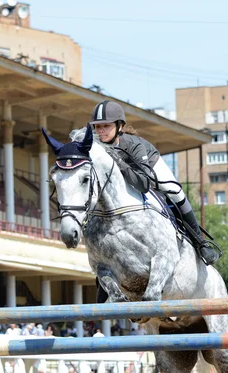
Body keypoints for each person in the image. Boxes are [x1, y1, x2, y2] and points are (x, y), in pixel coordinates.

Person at [90, 100, 220, 267]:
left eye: (105, 126)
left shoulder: (133, 145)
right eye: (97, 126)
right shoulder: (94, 147)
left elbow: (143, 184)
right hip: (120, 180)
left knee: (175, 192)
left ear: (119, 126)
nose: (100, 131)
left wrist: (119, 163)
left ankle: (201, 243)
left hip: (148, 167)